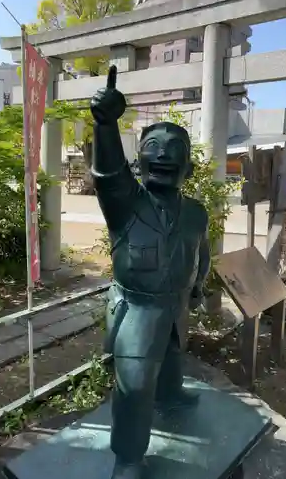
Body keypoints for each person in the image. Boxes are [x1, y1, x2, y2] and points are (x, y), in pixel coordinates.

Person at [90, 66, 210, 479]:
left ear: (189, 169)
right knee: (135, 384)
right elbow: (107, 174)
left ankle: (172, 395)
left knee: (174, 355)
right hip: (137, 308)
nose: (163, 154)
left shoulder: (196, 212)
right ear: (138, 162)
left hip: (177, 302)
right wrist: (106, 125)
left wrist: (199, 285)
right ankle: (127, 457)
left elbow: (201, 251)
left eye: (175, 148)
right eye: (153, 146)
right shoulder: (126, 203)